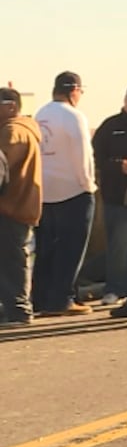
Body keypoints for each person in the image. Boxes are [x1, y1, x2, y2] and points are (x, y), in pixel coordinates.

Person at [32, 72, 96, 316]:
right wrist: (87, 183)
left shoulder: (41, 113)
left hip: (46, 189)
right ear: (75, 90)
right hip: (73, 189)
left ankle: (42, 298)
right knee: (72, 248)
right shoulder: (74, 116)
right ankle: (63, 299)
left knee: (47, 248)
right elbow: (83, 155)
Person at [92, 84, 127, 305]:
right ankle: (115, 288)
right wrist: (118, 166)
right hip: (117, 195)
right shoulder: (110, 126)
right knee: (118, 245)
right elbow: (95, 158)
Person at [0, 88, 42, 327]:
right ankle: (15, 308)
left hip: (10, 207)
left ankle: (18, 311)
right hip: (20, 206)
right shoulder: (23, 129)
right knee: (12, 260)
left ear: (11, 106)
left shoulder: (12, 132)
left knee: (11, 261)